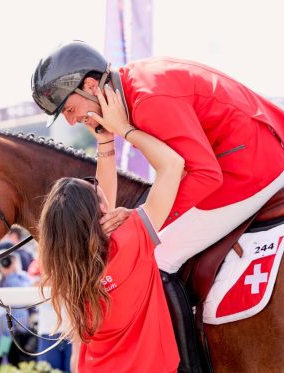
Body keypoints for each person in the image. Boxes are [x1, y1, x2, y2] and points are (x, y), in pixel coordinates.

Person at [31, 40, 284, 372]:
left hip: (255, 167)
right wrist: (107, 139)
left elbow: (204, 175)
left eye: (69, 110)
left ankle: (189, 365)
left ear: (90, 86)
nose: (72, 122)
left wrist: (147, 221)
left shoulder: (147, 101)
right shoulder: (133, 86)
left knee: (158, 256)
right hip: (254, 151)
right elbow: (115, 199)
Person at [38, 94, 184, 372]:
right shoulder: (131, 238)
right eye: (95, 192)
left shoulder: (66, 271)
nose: (101, 191)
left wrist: (106, 141)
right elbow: (172, 165)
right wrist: (125, 129)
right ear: (100, 212)